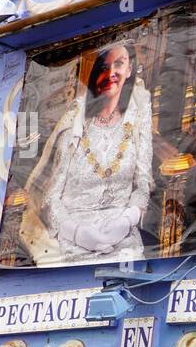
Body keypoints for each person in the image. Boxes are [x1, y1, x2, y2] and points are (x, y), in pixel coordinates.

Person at [34, 40, 154, 263]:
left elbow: (143, 184)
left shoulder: (136, 122)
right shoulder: (75, 123)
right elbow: (51, 195)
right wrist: (76, 232)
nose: (111, 73)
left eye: (119, 64)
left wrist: (127, 220)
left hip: (121, 242)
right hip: (69, 245)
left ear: (129, 71)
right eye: (104, 66)